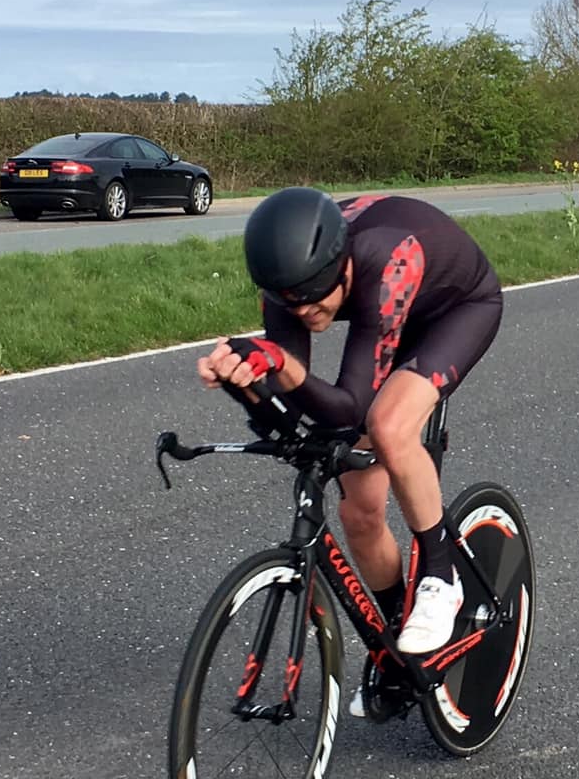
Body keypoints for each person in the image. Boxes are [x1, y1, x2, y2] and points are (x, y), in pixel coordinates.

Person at [197, 187, 503, 710]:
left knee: (388, 425)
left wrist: (282, 366)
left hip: (457, 309)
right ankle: (398, 642)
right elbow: (294, 405)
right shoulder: (289, 286)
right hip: (382, 314)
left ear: (341, 267)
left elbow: (347, 408)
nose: (305, 311)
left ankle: (440, 574)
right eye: (291, 302)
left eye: (315, 297)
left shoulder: (384, 260)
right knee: (359, 510)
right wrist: (243, 379)